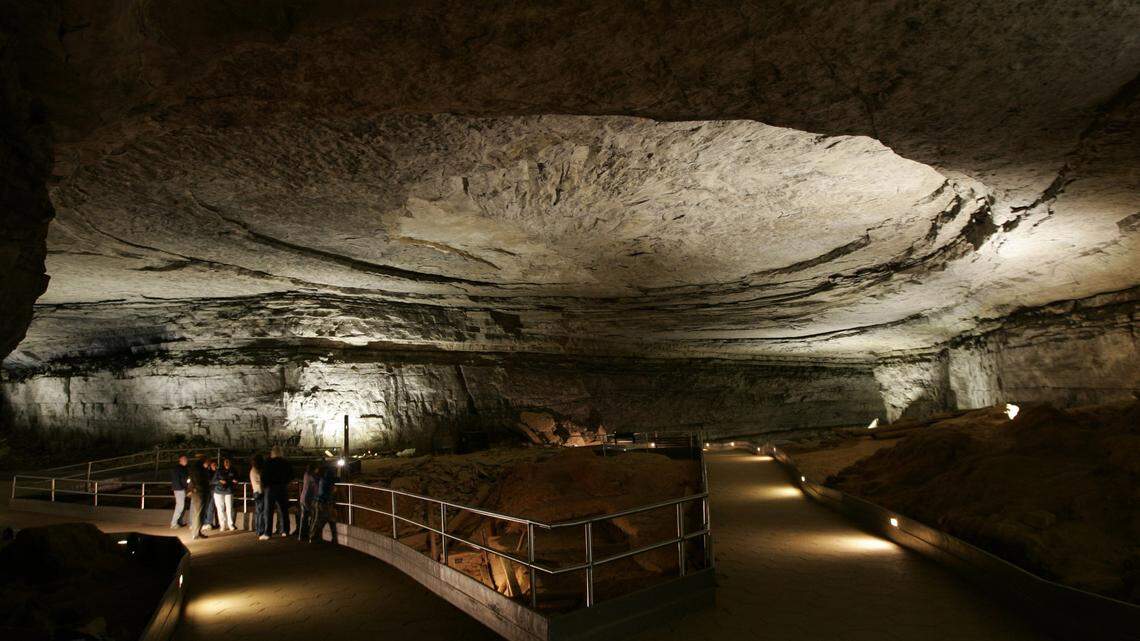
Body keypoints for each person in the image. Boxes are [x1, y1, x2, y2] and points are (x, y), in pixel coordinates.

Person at [261, 446, 293, 539]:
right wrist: (285, 483)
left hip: (270, 488)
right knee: (283, 510)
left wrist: (265, 485)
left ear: (273, 453)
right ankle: (285, 531)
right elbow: (291, 475)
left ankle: (267, 533)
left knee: (268, 511)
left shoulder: (268, 462)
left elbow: (263, 476)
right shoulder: (286, 463)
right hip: (282, 488)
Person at [306, 465, 338, 544]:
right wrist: (332, 492)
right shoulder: (327, 482)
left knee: (322, 520)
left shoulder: (322, 480)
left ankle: (313, 537)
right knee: (326, 521)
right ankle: (314, 536)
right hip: (324, 503)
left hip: (319, 502)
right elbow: (325, 494)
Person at [187, 454, 211, 540]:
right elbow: (200, 480)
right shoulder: (199, 468)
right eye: (207, 460)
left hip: (197, 491)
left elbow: (192, 480)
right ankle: (196, 533)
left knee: (197, 512)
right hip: (200, 492)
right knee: (199, 513)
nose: (208, 462)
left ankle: (196, 532)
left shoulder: (195, 467)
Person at [212, 457, 237, 531]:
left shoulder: (233, 470)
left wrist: (235, 481)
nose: (226, 463)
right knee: (220, 509)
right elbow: (213, 481)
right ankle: (222, 525)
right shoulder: (219, 470)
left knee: (229, 508)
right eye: (225, 462)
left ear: (230, 462)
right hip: (218, 492)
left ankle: (230, 524)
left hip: (229, 491)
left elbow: (237, 478)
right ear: (223, 463)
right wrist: (219, 481)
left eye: (228, 462)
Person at [296, 463, 319, 541]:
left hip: (303, 498)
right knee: (313, 517)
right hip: (308, 499)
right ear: (314, 469)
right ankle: (310, 535)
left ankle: (301, 536)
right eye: (317, 468)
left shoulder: (306, 475)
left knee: (304, 518)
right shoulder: (313, 477)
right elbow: (315, 487)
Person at [169, 455, 190, 529]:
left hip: (179, 489)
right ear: (180, 460)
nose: (186, 460)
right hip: (179, 489)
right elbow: (182, 479)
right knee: (180, 506)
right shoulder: (179, 468)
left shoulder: (180, 468)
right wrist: (184, 487)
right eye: (184, 459)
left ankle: (178, 522)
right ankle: (174, 523)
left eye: (186, 459)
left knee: (180, 506)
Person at [249, 454, 266, 537]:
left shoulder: (252, 470)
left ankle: (258, 529)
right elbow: (261, 481)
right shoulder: (257, 470)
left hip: (256, 492)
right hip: (260, 492)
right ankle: (261, 530)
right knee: (261, 512)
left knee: (258, 512)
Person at [202, 459, 220, 531]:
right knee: (210, 506)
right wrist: (218, 481)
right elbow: (210, 481)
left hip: (215, 490)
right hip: (210, 490)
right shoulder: (209, 472)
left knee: (211, 507)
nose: (214, 466)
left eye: (215, 465)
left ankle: (209, 522)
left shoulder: (217, 472)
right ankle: (208, 522)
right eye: (213, 465)